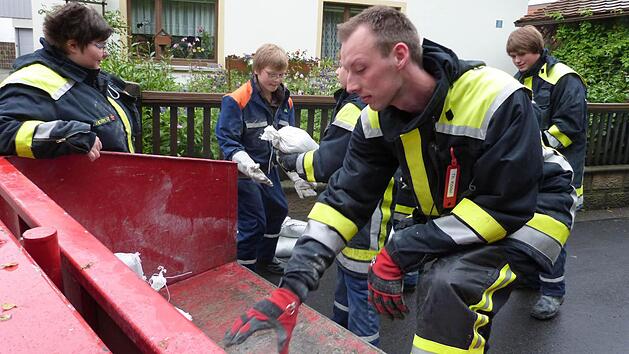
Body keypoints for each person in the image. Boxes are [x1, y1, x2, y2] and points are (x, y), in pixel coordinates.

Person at [224, 7, 576, 354]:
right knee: (450, 303)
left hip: (535, 211)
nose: (348, 83)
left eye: (359, 68)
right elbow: (344, 201)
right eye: (345, 69)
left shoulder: (494, 95)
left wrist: (398, 253)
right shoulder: (375, 119)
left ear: (400, 56)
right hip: (466, 214)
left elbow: (504, 207)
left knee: (449, 284)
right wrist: (289, 291)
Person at [277, 65, 393, 346]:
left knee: (361, 300)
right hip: (360, 220)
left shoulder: (355, 109)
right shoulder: (360, 104)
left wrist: (291, 163)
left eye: (343, 65)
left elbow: (329, 161)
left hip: (361, 222)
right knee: (346, 293)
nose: (338, 70)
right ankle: (339, 340)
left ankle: (363, 347)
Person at [507, 25, 587, 320]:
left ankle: (553, 293)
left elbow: (570, 127)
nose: (516, 60)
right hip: (531, 172)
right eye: (513, 55)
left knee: (552, 233)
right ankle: (529, 280)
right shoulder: (520, 80)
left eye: (521, 54)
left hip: (561, 176)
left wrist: (529, 145)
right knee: (527, 228)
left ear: (538, 50)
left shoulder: (564, 78)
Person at [0, 3, 138, 161]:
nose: (105, 53)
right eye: (100, 45)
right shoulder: (33, 80)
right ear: (72, 45)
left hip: (110, 180)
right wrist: (64, 135)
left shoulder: (88, 76)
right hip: (66, 184)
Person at [216, 43, 296, 275]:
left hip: (268, 170)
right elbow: (227, 140)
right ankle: (244, 268)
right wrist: (246, 163)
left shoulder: (286, 101)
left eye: (281, 75)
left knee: (278, 210)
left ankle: (264, 258)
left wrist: (296, 172)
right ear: (257, 70)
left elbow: (287, 138)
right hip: (243, 172)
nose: (276, 80)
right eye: (271, 74)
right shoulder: (237, 99)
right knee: (254, 222)